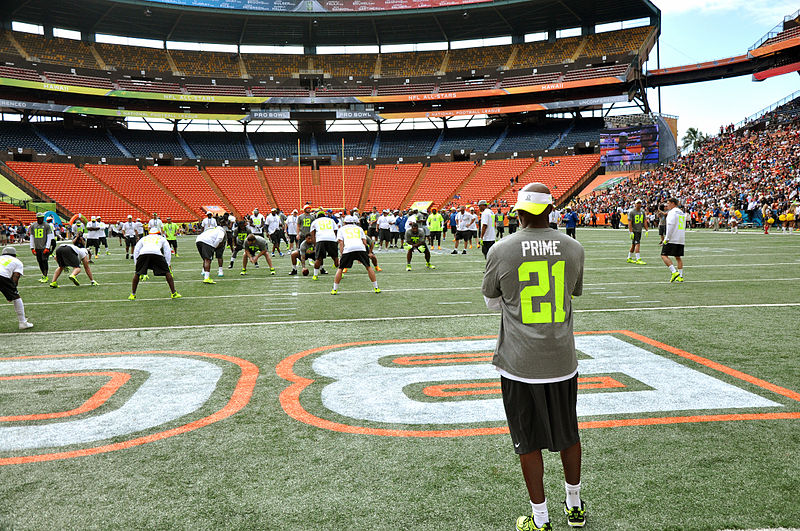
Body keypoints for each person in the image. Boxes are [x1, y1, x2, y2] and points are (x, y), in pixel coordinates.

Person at [481, 183, 585, 531]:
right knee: (569, 433)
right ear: (551, 210)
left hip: (520, 361)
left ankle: (540, 519)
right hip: (561, 357)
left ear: (520, 212)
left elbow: (492, 302)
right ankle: (574, 505)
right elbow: (572, 293)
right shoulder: (573, 247)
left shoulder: (501, 249)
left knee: (527, 440)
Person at [331, 218, 380, 295]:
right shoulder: (359, 228)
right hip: (360, 247)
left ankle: (334, 289)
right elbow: (364, 242)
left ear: (345, 222)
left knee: (340, 269)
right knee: (368, 267)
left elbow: (341, 243)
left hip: (348, 248)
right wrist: (363, 253)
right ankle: (376, 287)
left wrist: (341, 255)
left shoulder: (341, 229)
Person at [129, 228, 181, 300]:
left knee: (137, 273)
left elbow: (136, 250)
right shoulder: (161, 238)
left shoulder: (144, 238)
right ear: (158, 233)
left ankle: (132, 294)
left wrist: (136, 263)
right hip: (156, 253)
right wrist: (168, 263)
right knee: (167, 273)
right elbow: (167, 251)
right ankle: (174, 293)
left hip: (143, 253)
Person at [0, 246, 33, 330]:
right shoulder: (17, 261)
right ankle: (22, 322)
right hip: (2, 276)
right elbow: (16, 276)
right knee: (17, 298)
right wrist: (12, 293)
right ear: (14, 255)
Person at [661, 197, 687, 283]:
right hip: (681, 238)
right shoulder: (681, 212)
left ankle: (674, 272)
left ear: (673, 203)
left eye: (668, 203)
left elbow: (670, 226)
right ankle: (681, 276)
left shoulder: (672, 213)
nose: (667, 205)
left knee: (664, 255)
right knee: (678, 257)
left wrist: (666, 238)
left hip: (673, 238)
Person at [310, 212, 340, 280]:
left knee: (318, 258)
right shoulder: (331, 220)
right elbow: (335, 230)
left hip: (321, 239)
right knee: (335, 257)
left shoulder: (315, 221)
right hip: (331, 238)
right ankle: (340, 273)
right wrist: (335, 239)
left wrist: (315, 244)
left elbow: (312, 234)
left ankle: (315, 275)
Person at [29, 212, 55, 283]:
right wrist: (32, 248)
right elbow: (31, 237)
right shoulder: (33, 225)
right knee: (39, 261)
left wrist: (47, 247)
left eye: (42, 217)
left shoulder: (46, 225)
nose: (41, 219)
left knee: (44, 261)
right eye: (40, 218)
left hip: (44, 246)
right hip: (37, 247)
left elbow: (49, 237)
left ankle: (45, 275)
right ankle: (43, 275)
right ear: (37, 218)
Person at [626, 199, 648, 264]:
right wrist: (630, 231)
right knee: (637, 244)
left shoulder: (642, 212)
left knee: (633, 245)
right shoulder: (632, 212)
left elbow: (644, 221)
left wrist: (647, 229)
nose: (639, 204)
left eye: (640, 203)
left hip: (639, 230)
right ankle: (638, 259)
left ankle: (629, 258)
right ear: (635, 204)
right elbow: (629, 222)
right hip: (634, 230)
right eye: (638, 203)